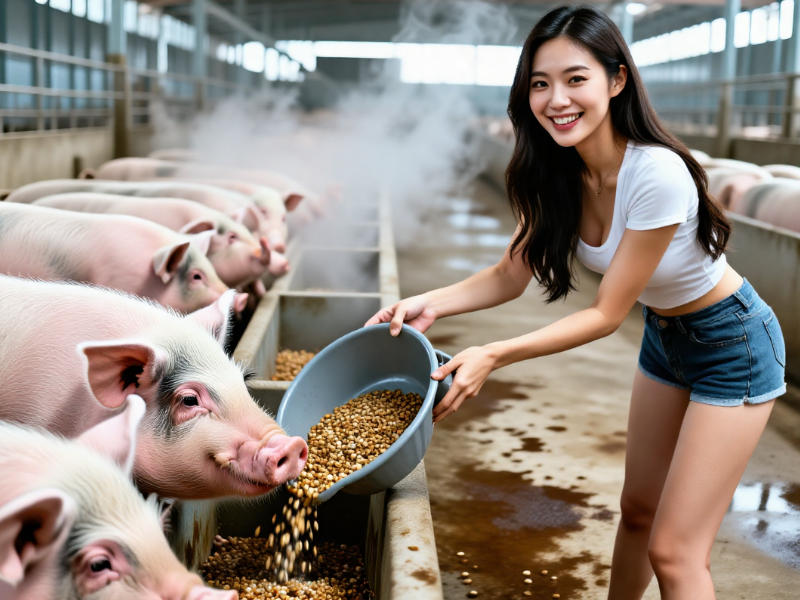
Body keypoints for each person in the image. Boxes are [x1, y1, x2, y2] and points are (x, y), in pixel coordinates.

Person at [365, 5, 786, 600]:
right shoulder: (554, 172)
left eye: (575, 79)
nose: (556, 99)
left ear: (616, 81)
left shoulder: (656, 173)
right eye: (540, 84)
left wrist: (494, 354)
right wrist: (424, 303)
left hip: (733, 343)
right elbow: (508, 277)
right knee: (636, 513)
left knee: (675, 551)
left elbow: (606, 314)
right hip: (666, 338)